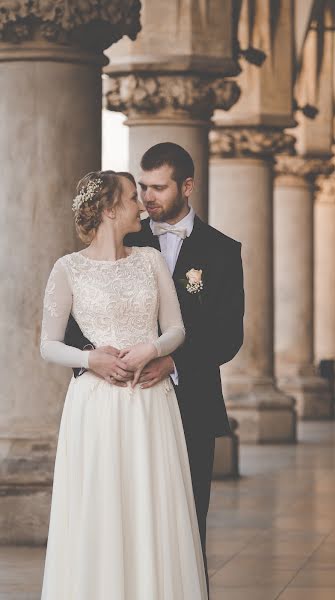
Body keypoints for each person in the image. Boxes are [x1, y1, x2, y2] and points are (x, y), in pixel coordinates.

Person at [65, 143, 245, 594]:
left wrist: (172, 361)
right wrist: (97, 359)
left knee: (186, 518)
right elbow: (74, 325)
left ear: (187, 186)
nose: (147, 197)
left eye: (158, 187)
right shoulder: (124, 235)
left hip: (192, 404)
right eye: (141, 186)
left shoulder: (222, 251)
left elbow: (228, 336)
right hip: (122, 403)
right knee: (120, 513)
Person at [40, 170, 208, 599]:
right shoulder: (68, 268)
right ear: (111, 209)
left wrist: (151, 350)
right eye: (134, 197)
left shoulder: (149, 260)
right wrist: (89, 358)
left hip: (151, 401)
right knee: (101, 506)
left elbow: (176, 328)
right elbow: (48, 345)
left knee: (151, 507)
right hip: (95, 404)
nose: (142, 204)